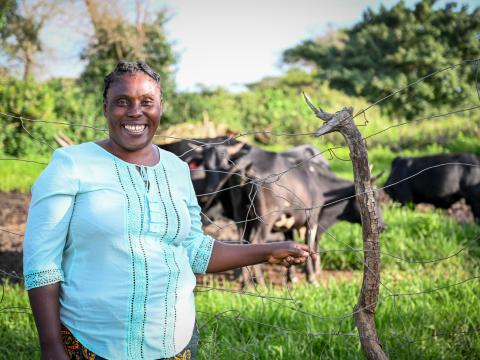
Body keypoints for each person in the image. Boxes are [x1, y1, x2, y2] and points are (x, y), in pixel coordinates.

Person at [23, 61, 315, 360]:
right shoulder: (71, 165)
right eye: (122, 102)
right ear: (105, 107)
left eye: (146, 102)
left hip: (176, 345)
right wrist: (51, 346)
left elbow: (195, 249)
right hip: (93, 344)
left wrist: (267, 250)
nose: (135, 111)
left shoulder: (176, 168)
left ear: (160, 107)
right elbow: (41, 264)